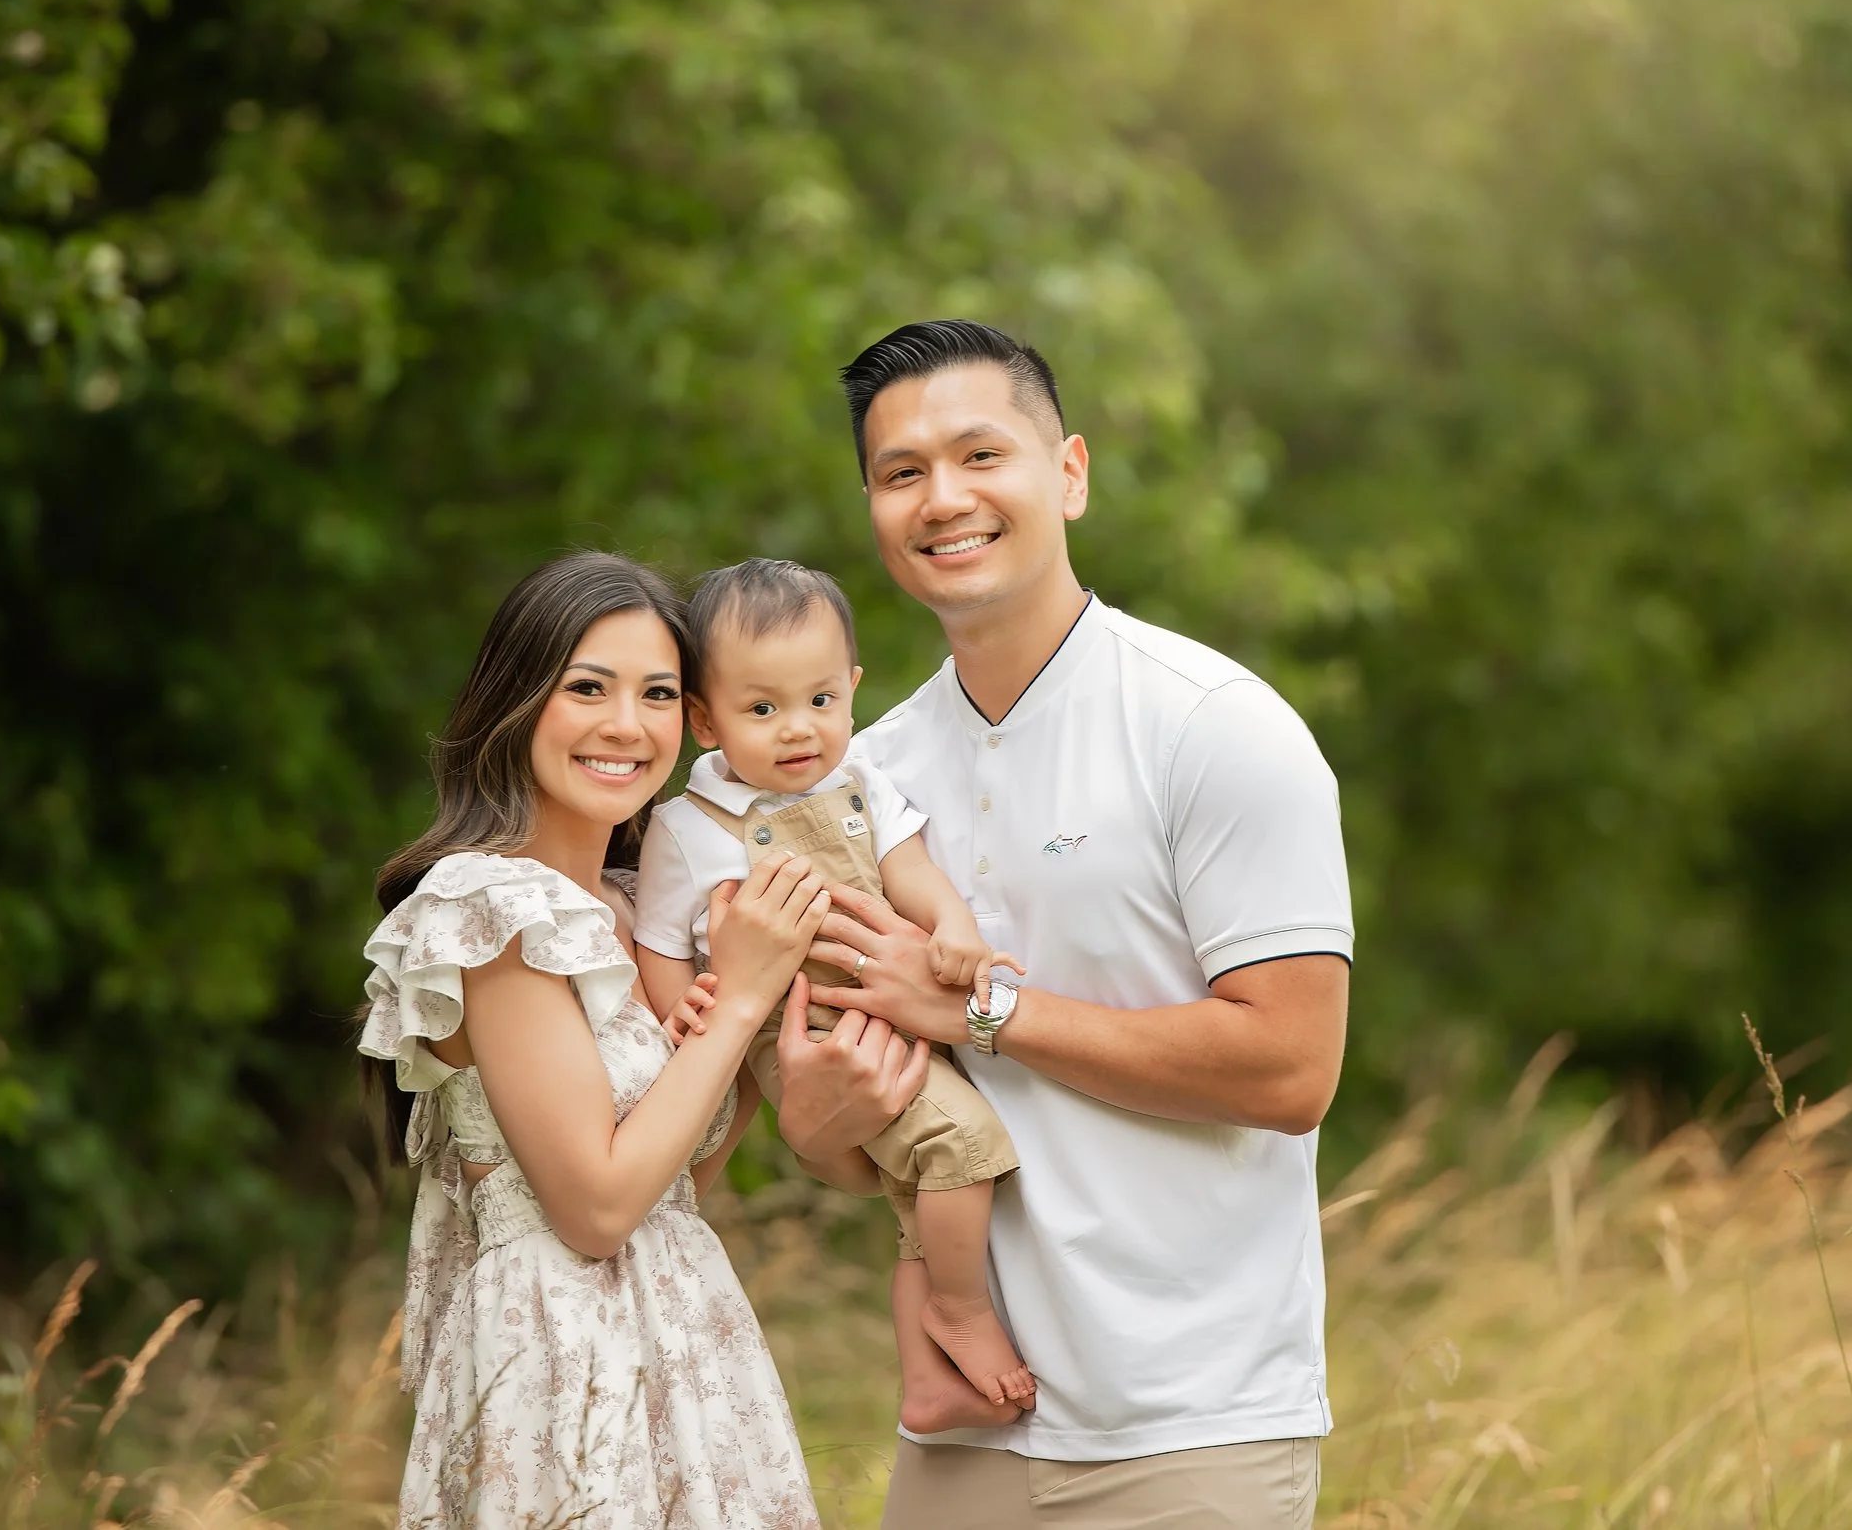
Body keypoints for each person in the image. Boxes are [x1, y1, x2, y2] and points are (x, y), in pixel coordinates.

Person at [774, 321, 1355, 1527]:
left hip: (1192, 1423)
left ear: (1070, 474)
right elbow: (851, 1133)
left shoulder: (1213, 727)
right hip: (966, 1419)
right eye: (901, 473)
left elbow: (1294, 1067)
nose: (944, 498)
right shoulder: (860, 779)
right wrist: (819, 1123)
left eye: (981, 454)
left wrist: (987, 1010)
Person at [354, 551, 825, 1529]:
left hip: (689, 1344)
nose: (627, 724)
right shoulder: (489, 910)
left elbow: (676, 1189)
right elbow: (597, 1208)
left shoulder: (633, 912)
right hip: (567, 1361)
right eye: (588, 688)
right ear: (517, 702)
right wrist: (737, 1003)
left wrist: (729, 1028)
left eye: (658, 692)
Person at [630, 557, 1038, 1420]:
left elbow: (911, 871)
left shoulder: (864, 786)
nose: (798, 729)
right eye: (762, 708)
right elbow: (659, 938)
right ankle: (961, 1310)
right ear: (704, 719)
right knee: (964, 1148)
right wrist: (679, 1003)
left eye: (820, 700)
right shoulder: (688, 826)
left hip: (891, 1009)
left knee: (913, 1199)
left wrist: (954, 928)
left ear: (852, 688)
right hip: (797, 1035)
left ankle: (926, 1381)